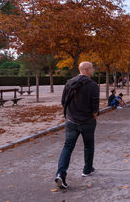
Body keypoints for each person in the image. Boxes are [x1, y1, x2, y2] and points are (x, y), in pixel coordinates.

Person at [55, 61, 99, 189]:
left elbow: (63, 101)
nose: (94, 70)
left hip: (71, 121)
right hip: (87, 122)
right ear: (86, 70)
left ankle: (60, 173)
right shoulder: (93, 85)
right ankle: (87, 169)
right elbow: (94, 106)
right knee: (89, 145)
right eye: (92, 68)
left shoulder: (69, 82)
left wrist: (69, 115)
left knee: (67, 147)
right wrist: (94, 115)